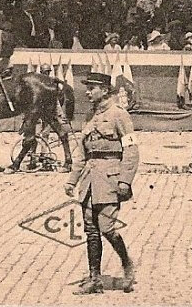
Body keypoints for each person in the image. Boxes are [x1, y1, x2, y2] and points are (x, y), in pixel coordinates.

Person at [65, 72, 139, 295]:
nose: (87, 92)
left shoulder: (119, 115)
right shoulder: (89, 117)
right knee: (91, 230)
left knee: (106, 228)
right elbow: (82, 153)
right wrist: (72, 180)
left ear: (105, 90)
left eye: (92, 88)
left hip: (110, 180)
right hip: (88, 181)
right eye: (88, 88)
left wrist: (125, 180)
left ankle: (127, 265)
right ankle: (94, 278)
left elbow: (132, 150)